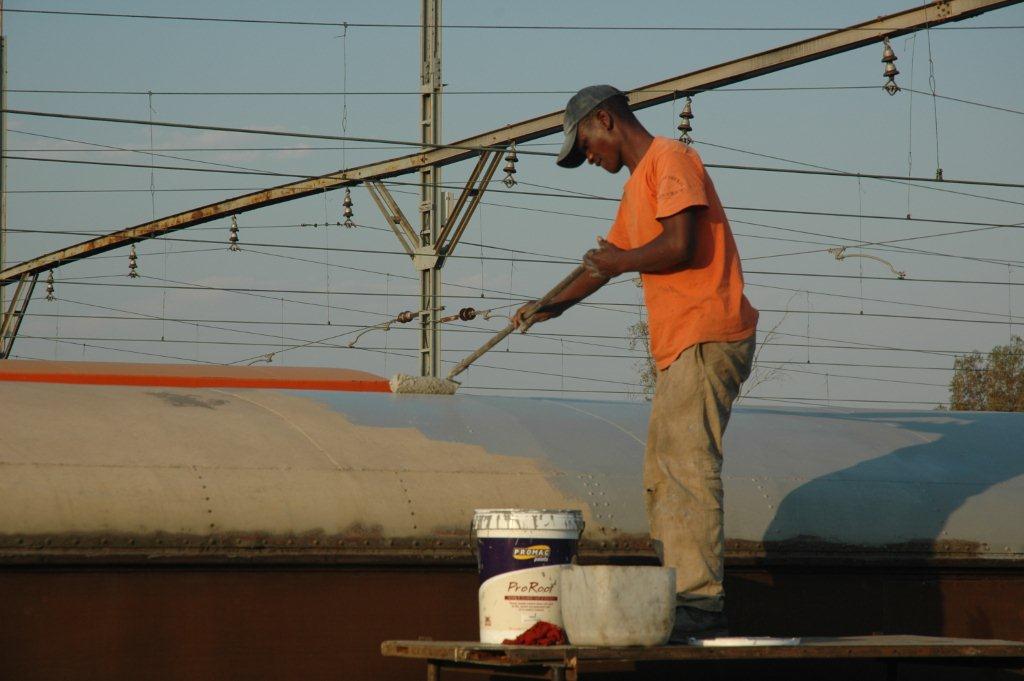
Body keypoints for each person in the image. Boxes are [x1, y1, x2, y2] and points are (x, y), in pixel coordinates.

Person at [514, 85, 759, 640]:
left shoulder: (671, 158)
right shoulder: (637, 189)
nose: (588, 160)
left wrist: (621, 261)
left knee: (686, 466)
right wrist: (548, 306)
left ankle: (699, 602)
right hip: (682, 342)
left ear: (605, 120)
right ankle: (682, 592)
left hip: (705, 330)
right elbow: (605, 265)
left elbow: (681, 246)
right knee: (663, 471)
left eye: (585, 147)